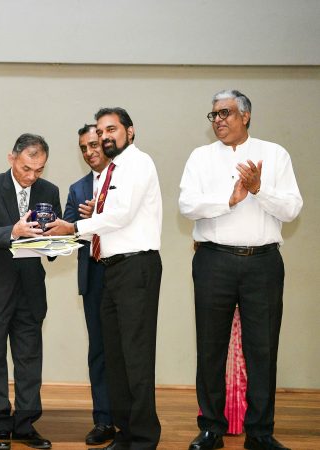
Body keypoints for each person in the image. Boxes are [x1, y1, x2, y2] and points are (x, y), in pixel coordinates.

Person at [179, 90, 302, 450]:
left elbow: (292, 209)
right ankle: (211, 428)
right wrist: (229, 199)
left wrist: (259, 189)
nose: (218, 120)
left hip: (263, 263)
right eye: (214, 114)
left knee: (262, 349)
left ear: (245, 116)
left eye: (226, 113)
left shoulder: (275, 154)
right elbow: (187, 204)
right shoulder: (200, 157)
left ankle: (260, 432)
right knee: (210, 347)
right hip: (213, 260)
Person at [46, 107, 163, 450]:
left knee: (136, 357)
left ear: (130, 131)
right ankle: (125, 433)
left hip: (136, 267)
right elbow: (103, 223)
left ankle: (144, 438)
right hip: (111, 269)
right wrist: (59, 233)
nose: (104, 136)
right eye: (100, 131)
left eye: (111, 129)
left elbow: (121, 215)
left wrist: (75, 226)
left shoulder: (138, 163)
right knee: (115, 357)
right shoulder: (111, 170)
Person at [0, 133, 59, 450]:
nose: (32, 176)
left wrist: (60, 240)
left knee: (30, 360)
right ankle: (0, 427)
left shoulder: (49, 191)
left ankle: (26, 426)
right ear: (12, 158)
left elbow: (53, 243)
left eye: (39, 170)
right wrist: (14, 232)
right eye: (26, 168)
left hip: (30, 289)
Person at [63, 124, 114, 446]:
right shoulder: (78, 188)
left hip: (124, 273)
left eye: (94, 145)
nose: (89, 152)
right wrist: (82, 223)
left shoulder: (124, 180)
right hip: (94, 274)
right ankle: (104, 420)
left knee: (126, 351)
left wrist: (100, 216)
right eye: (83, 147)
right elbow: (67, 229)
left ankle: (129, 418)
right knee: (99, 351)